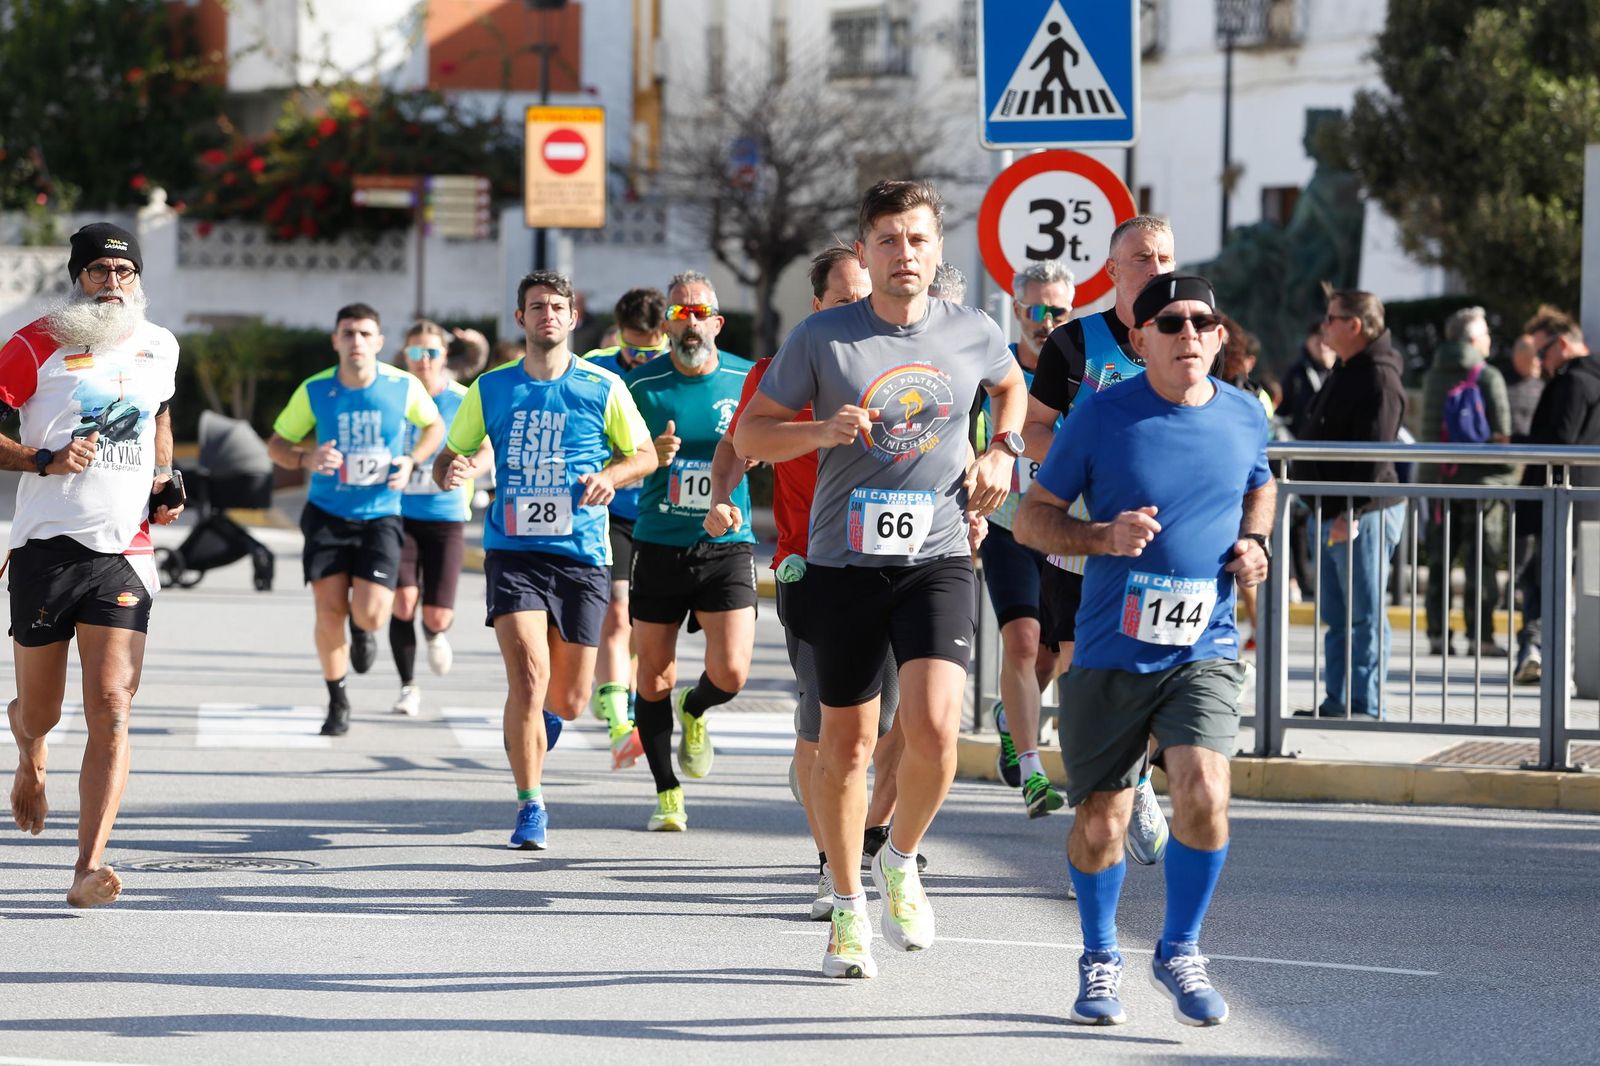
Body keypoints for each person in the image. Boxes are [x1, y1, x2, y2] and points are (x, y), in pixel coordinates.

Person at [735, 180, 1026, 979]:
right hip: (843, 566)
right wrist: (819, 429)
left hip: (935, 556)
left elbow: (1009, 383)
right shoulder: (823, 339)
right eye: (889, 241)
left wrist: (1002, 447)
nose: (905, 255)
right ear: (864, 251)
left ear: (939, 252)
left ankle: (899, 858)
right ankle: (847, 905)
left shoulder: (971, 329)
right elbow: (754, 433)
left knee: (936, 732)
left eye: (919, 240)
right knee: (848, 745)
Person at [1014, 272, 1273, 1028]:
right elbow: (1033, 519)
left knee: (1205, 793)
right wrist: (1102, 536)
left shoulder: (1244, 415)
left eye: (1202, 321)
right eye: (1170, 322)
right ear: (1140, 339)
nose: (1187, 332)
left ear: (1220, 336)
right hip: (1109, 649)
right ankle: (1100, 955)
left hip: (1206, 644)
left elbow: (1261, 485)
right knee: (1103, 820)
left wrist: (1254, 541)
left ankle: (1180, 948)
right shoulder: (1098, 417)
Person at [709, 243, 915, 920]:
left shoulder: (905, 370)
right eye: (845, 297)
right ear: (818, 305)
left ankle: (870, 835)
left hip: (898, 565)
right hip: (809, 565)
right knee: (824, 722)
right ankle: (835, 861)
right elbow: (739, 439)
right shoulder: (781, 372)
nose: (859, 305)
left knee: (890, 722)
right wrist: (720, 495)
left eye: (866, 294)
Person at [432, 271, 656, 849]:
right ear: (521, 319)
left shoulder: (603, 388)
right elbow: (452, 455)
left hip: (581, 555)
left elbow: (646, 455)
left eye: (558, 307)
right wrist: (451, 470)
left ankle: (547, 725)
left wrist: (610, 475)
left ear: (573, 318)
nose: (548, 315)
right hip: (513, 552)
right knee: (528, 680)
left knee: (570, 699)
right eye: (537, 307)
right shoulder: (491, 388)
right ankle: (531, 804)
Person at [3, 222, 184, 907]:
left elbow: (161, 415)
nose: (113, 284)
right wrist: (39, 460)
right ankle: (28, 750)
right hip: (48, 546)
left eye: (124, 272)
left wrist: (167, 478)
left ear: (137, 279)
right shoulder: (35, 342)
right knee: (43, 711)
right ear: (78, 277)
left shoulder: (158, 344)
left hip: (125, 552)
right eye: (99, 272)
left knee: (111, 707)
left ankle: (88, 865)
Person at [1022, 214, 1177, 866]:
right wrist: (1078, 464)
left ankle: (1137, 773)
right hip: (1083, 538)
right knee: (1090, 675)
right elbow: (1033, 429)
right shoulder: (1076, 342)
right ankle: (1107, 817)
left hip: (1162, 541)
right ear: (1112, 271)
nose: (1156, 269)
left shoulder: (1187, 336)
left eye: (1165, 256)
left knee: (1151, 674)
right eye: (1142, 258)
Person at [267, 304, 444, 736]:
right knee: (328, 610)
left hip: (380, 515)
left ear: (380, 343)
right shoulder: (316, 390)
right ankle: (338, 700)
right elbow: (277, 444)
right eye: (348, 334)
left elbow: (434, 427)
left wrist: (411, 460)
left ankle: (363, 631)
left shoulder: (403, 387)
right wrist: (306, 456)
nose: (357, 342)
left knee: (372, 613)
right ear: (336, 341)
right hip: (327, 515)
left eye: (366, 334)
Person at [626, 271, 758, 831]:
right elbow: (619, 460)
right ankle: (667, 792)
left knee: (731, 672)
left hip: (726, 540)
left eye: (699, 312)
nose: (690, 322)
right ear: (666, 325)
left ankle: (696, 709)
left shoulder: (745, 378)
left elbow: (770, 439)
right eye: (679, 314)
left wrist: (754, 459)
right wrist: (651, 454)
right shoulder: (641, 387)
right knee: (653, 676)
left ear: (717, 322)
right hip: (659, 542)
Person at [975, 259, 1073, 817]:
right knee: (1020, 641)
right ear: (1016, 311)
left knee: (1048, 658)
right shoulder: (999, 371)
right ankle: (1034, 772)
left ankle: (1013, 719)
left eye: (1058, 309)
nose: (1047, 320)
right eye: (1036, 310)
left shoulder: (1083, 368)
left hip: (1061, 528)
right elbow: (968, 437)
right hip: (1009, 523)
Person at [1295, 287, 1407, 719]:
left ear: (1355, 326)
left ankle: (1363, 703)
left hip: (1361, 513)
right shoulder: (1349, 366)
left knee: (1363, 615)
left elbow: (1375, 456)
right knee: (1339, 616)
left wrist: (1351, 514)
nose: (1325, 327)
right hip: (1333, 509)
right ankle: (1338, 700)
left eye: (1332, 318)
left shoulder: (1378, 374)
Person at [581, 287, 670, 765]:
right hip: (612, 507)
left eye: (649, 351)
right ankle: (621, 724)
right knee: (616, 613)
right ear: (618, 335)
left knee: (642, 625)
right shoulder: (596, 365)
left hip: (661, 511)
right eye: (631, 349)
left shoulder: (677, 364)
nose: (639, 359)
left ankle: (622, 688)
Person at [388, 321, 489, 716]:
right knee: (403, 600)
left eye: (431, 352)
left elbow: (487, 451)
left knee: (437, 612)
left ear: (444, 356)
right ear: (405, 356)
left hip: (446, 514)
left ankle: (434, 633)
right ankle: (408, 686)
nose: (424, 361)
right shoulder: (393, 394)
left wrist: (470, 470)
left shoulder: (463, 399)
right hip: (397, 513)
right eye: (416, 353)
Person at [1417, 306, 1513, 658]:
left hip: (1439, 481)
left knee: (1440, 561)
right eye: (1486, 333)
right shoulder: (1487, 377)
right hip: (1481, 485)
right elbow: (1502, 433)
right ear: (1473, 339)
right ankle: (1481, 636)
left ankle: (1437, 636)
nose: (1489, 339)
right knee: (1481, 562)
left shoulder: (1432, 376)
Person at [1514, 307, 1600, 685]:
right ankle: (1539, 654)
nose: (1541, 363)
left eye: (1543, 353)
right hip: (1583, 501)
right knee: (1554, 581)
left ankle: (1535, 650)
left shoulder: (1574, 383)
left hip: (1560, 501)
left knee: (1543, 581)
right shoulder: (1588, 379)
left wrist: (1517, 444)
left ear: (1562, 344)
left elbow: (1559, 442)